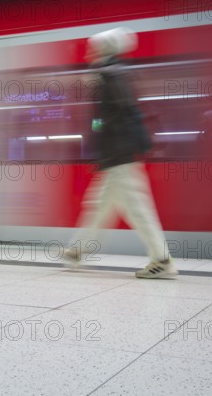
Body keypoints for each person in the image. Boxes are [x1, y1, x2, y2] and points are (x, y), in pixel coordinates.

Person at [63, 27, 177, 279]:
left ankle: (162, 260)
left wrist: (99, 142)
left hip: (119, 155)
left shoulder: (109, 76)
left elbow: (110, 119)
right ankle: (76, 250)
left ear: (106, 49)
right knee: (99, 205)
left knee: (137, 209)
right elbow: (113, 117)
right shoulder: (112, 74)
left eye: (95, 48)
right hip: (118, 154)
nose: (89, 53)